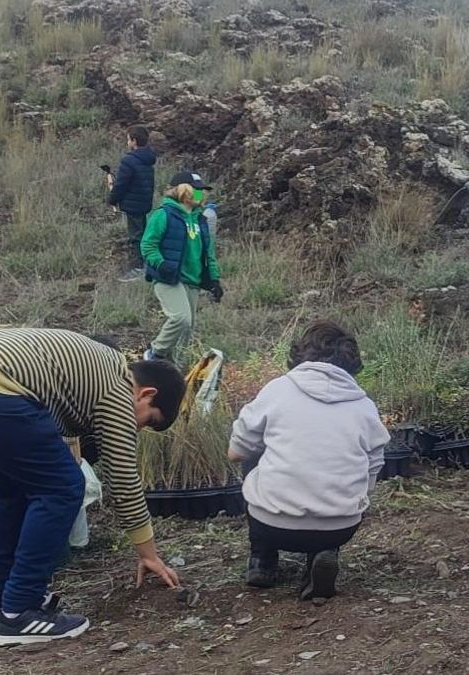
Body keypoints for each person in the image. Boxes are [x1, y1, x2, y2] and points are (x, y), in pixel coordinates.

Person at [0, 328, 186, 646]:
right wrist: (149, 554)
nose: (137, 428)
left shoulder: (98, 368)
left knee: (14, 486)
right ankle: (19, 611)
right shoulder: (119, 389)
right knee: (62, 490)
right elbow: (123, 479)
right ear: (147, 394)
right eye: (147, 420)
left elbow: (61, 433)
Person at [228, 321, 389, 600]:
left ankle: (262, 560)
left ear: (300, 355)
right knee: (340, 470)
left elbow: (237, 452)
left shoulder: (277, 390)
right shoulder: (363, 405)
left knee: (253, 455)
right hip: (340, 526)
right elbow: (374, 466)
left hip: (273, 524)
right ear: (351, 363)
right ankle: (321, 556)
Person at [141, 171, 223, 364]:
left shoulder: (200, 220)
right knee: (181, 318)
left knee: (188, 331)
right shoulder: (163, 214)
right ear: (183, 190)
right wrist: (161, 264)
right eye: (197, 190)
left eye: (202, 191)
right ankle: (156, 352)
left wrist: (214, 279)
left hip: (192, 281)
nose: (201, 194)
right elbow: (147, 245)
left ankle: (178, 372)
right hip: (168, 278)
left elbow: (209, 253)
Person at [107, 125, 157, 282]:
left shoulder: (129, 161)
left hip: (133, 205)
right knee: (143, 233)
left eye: (128, 139)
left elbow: (121, 185)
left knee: (136, 236)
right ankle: (146, 265)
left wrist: (112, 199)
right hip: (144, 202)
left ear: (134, 141)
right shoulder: (148, 159)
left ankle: (139, 269)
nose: (127, 142)